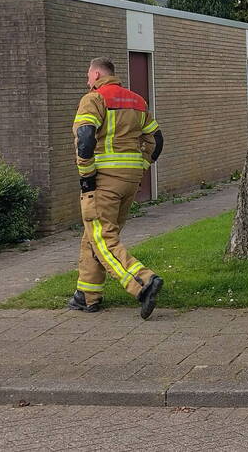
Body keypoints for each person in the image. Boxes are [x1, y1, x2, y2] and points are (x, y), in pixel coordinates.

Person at [68, 57, 165, 319]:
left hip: (103, 181)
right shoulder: (137, 100)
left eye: (89, 76)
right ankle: (87, 295)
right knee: (96, 235)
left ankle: (143, 282)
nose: (87, 81)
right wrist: (141, 165)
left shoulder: (94, 99)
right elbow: (156, 140)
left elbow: (85, 140)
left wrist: (86, 176)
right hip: (130, 182)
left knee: (103, 238)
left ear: (97, 74)